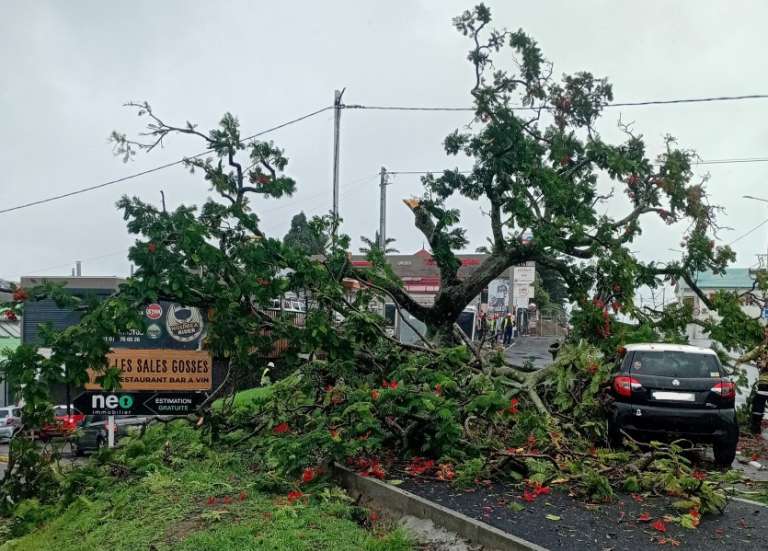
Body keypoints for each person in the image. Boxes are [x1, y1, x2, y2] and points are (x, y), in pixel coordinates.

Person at [751, 328, 768, 435]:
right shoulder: (762, 346)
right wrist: (759, 363)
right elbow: (758, 362)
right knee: (758, 404)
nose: (765, 334)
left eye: (767, 332)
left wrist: (765, 365)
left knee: (758, 403)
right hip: (763, 382)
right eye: (765, 331)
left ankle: (755, 428)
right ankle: (755, 428)